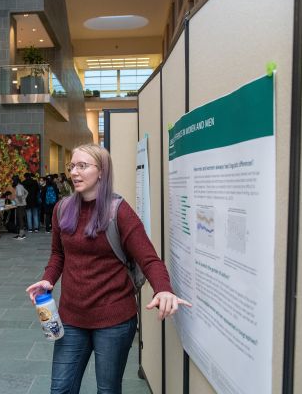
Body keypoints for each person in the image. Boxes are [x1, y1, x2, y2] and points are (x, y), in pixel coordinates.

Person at [26, 143, 191, 393]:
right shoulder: (62, 209)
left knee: (108, 389)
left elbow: (149, 259)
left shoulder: (119, 212)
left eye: (83, 166)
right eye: (72, 166)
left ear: (101, 171)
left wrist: (163, 289)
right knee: (60, 388)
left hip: (114, 320)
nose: (74, 172)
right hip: (71, 318)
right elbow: (58, 254)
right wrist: (48, 279)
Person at [12, 175, 27, 240]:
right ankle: (21, 234)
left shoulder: (18, 187)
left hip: (20, 205)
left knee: (20, 220)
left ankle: (21, 235)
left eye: (13, 180)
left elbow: (20, 195)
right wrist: (24, 199)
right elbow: (27, 192)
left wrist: (19, 201)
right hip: (23, 204)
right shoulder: (21, 186)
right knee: (21, 219)